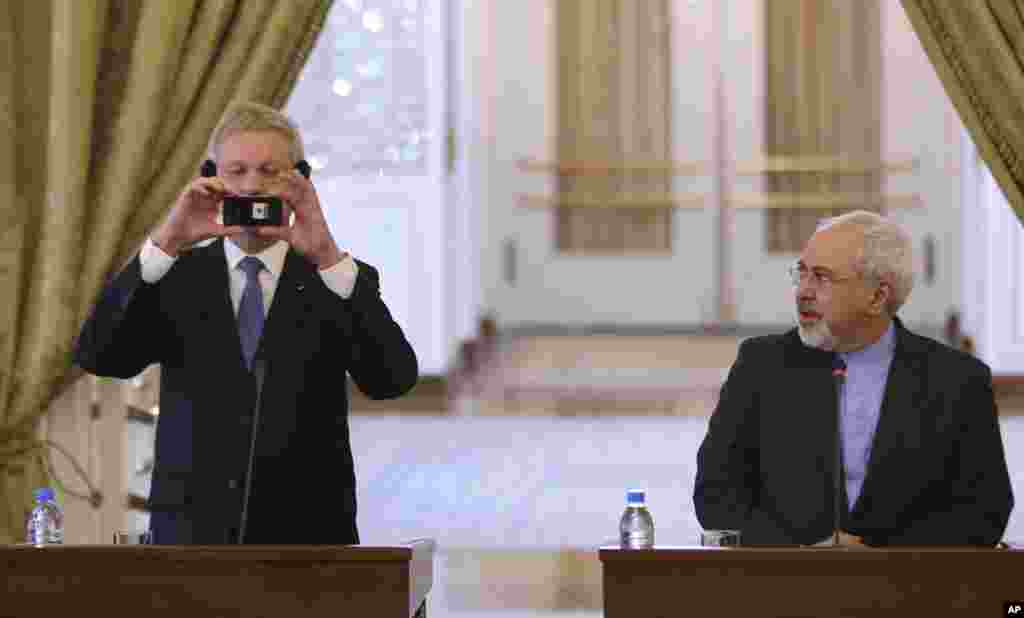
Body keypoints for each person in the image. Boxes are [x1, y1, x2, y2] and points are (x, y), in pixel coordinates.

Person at [74, 101, 418, 544]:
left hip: (308, 537)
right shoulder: (174, 277)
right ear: (211, 178)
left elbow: (392, 378)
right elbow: (99, 355)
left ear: (301, 180)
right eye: (236, 172)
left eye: (269, 171)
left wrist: (328, 257)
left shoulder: (337, 279)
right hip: (191, 536)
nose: (252, 186)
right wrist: (166, 241)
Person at [694, 210, 1013, 546]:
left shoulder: (958, 380)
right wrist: (800, 553)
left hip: (910, 590)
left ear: (877, 297)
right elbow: (715, 494)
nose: (803, 291)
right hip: (785, 584)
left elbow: (984, 513)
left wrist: (875, 554)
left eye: (822, 277)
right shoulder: (761, 365)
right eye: (801, 273)